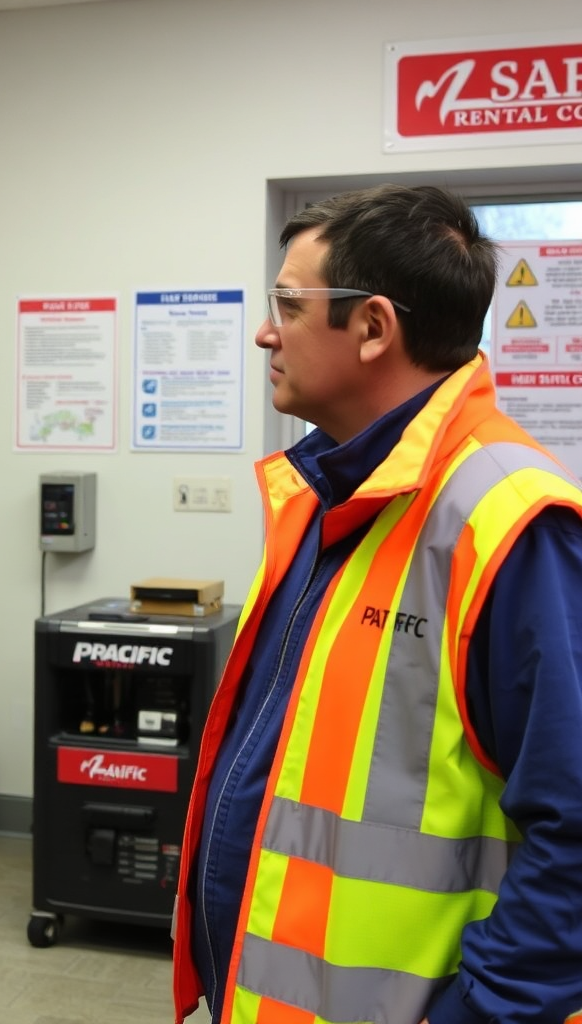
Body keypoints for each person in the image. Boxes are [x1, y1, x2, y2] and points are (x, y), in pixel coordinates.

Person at [172, 185, 582, 1024]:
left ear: (372, 328)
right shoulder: (325, 493)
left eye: (288, 304)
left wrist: (486, 1014)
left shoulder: (513, 524)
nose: (264, 330)